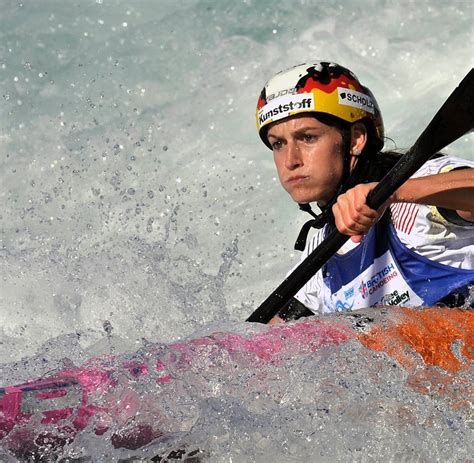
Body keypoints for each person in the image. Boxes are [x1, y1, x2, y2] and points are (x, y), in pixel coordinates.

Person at [255, 61, 474, 323]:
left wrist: (395, 192)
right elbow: (269, 341)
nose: (290, 159)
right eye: (278, 143)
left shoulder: (418, 190)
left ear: (357, 139)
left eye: (308, 137)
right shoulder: (320, 253)